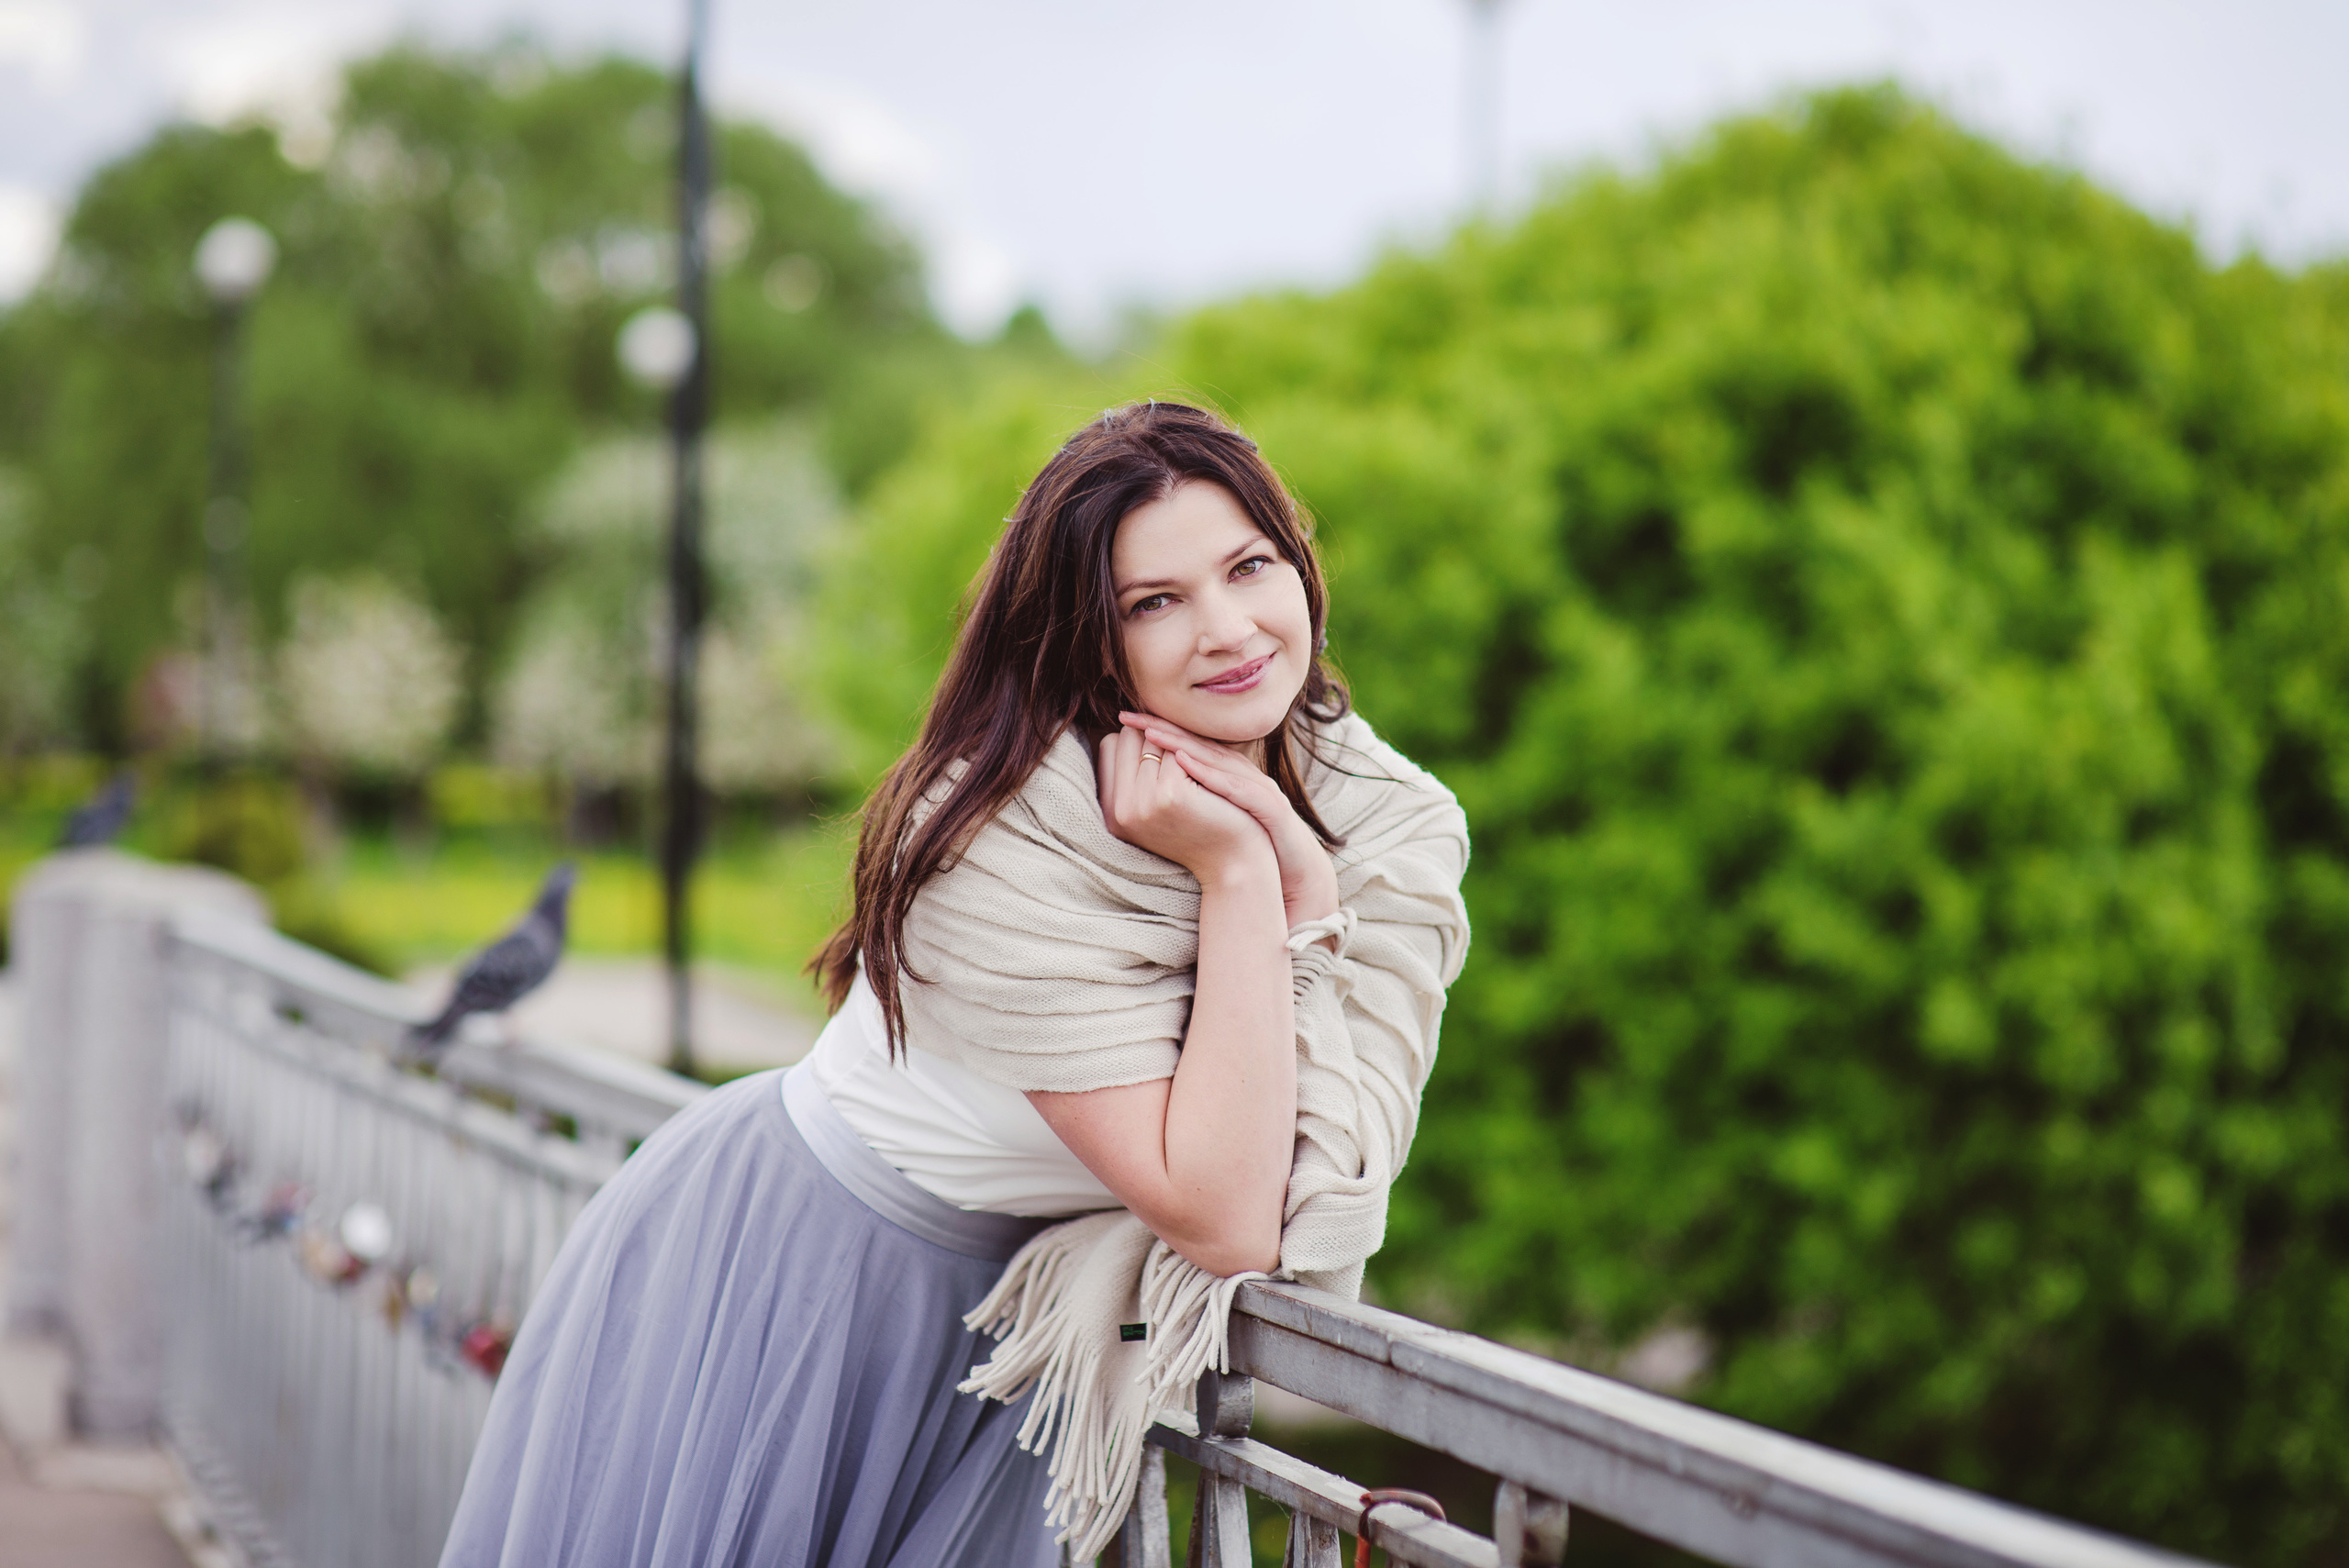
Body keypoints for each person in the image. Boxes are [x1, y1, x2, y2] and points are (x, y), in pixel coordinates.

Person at [438, 400, 1471, 1568]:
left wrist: (1309, 879)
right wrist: (1247, 872)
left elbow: (1334, 1190)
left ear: (1300, 564)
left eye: (1249, 566)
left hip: (1002, 1330)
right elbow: (1232, 1215)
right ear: (1090, 641)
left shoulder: (1386, 822)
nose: (1227, 628)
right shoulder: (996, 832)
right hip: (800, 1278)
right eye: (1154, 602)